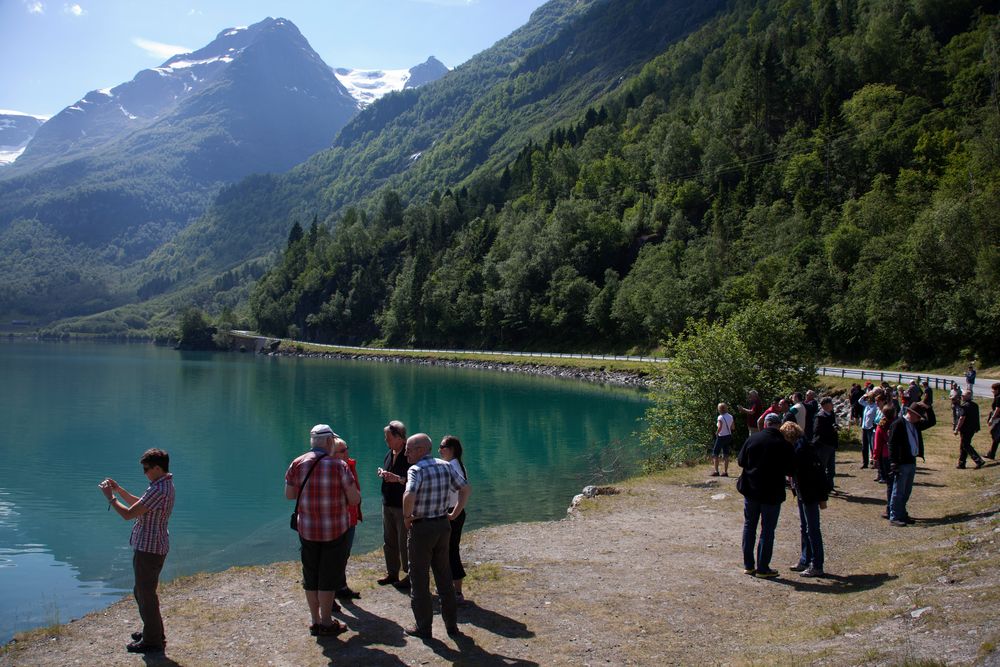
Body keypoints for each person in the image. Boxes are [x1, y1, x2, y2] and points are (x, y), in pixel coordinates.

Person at [285, 424, 361, 637]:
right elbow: (354, 498)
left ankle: (314, 620)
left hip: (307, 529)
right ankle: (327, 622)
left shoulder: (297, 463)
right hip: (334, 529)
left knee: (311, 574)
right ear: (329, 442)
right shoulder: (339, 466)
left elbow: (290, 494)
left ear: (312, 442)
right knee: (327, 576)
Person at [98, 448, 175, 654]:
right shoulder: (162, 485)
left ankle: (153, 641)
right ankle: (153, 631)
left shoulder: (159, 490)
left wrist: (110, 498)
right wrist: (119, 490)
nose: (145, 473)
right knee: (142, 592)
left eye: (147, 469)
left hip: (149, 550)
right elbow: (140, 504)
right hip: (152, 546)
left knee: (145, 594)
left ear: (157, 468)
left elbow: (129, 514)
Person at [402, 433, 471, 639]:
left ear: (421, 449)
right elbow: (465, 489)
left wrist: (407, 517)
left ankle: (424, 627)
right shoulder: (446, 465)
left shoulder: (416, 469)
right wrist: (454, 513)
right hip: (442, 525)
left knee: (419, 578)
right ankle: (452, 626)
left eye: (409, 449)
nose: (406, 453)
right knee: (444, 576)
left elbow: (409, 494)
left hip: (422, 527)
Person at [736, 413, 795, 578]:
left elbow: (741, 461)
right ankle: (763, 568)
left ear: (766, 424)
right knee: (767, 530)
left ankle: (749, 565)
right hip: (772, 493)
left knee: (749, 526)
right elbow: (791, 470)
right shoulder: (784, 445)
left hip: (751, 490)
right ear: (779, 425)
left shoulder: (753, 439)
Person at [781, 422, 827, 577]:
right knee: (805, 527)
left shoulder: (801, 450)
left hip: (808, 493)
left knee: (812, 529)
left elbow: (793, 468)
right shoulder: (804, 446)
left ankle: (816, 565)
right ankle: (805, 560)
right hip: (804, 492)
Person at [887, 401, 936, 526]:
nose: (919, 418)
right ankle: (895, 516)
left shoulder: (916, 424)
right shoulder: (898, 424)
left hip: (911, 461)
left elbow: (932, 422)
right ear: (910, 413)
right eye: (918, 416)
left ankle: (902, 513)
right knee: (898, 491)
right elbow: (891, 444)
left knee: (906, 491)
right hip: (901, 462)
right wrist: (893, 462)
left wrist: (928, 408)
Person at [377, 420, 411, 588]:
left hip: (402, 505)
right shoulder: (390, 453)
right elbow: (391, 474)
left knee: (405, 541)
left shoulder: (409, 454)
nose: (386, 440)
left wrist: (398, 480)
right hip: (388, 502)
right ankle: (392, 573)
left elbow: (415, 480)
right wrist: (383, 474)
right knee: (389, 540)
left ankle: (410, 574)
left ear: (399, 437)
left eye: (388, 437)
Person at [438, 435, 470, 604]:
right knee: (448, 551)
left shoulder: (452, 467)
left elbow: (464, 491)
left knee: (450, 552)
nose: (440, 450)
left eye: (442, 447)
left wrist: (453, 514)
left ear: (452, 449)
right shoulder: (457, 465)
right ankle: (450, 586)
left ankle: (457, 592)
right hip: (454, 512)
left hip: (452, 513)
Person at [332, 436, 362, 600]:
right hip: (337, 520)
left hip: (350, 517)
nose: (346, 452)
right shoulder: (332, 469)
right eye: (342, 450)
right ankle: (332, 590)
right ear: (333, 453)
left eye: (346, 448)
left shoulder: (349, 464)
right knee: (335, 555)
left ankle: (340, 586)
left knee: (345, 553)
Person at [812, 397, 839, 493]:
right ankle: (820, 486)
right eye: (830, 403)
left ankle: (829, 487)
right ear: (825, 405)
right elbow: (817, 431)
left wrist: (836, 427)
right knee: (822, 467)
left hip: (831, 444)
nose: (832, 405)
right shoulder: (820, 416)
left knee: (831, 469)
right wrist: (832, 430)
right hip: (823, 445)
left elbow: (832, 425)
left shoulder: (831, 414)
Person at [873, 404, 896, 516]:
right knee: (895, 483)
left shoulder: (880, 426)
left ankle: (889, 508)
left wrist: (875, 458)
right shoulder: (897, 424)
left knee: (889, 484)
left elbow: (877, 445)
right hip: (896, 456)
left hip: (885, 456)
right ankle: (894, 507)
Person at [954, 390, 985, 469]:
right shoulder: (975, 405)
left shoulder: (964, 406)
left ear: (968, 396)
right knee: (963, 445)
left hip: (965, 428)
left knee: (965, 445)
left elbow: (962, 418)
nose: (962, 397)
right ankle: (962, 463)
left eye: (963, 396)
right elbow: (976, 417)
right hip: (972, 428)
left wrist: (957, 429)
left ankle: (978, 460)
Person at [858, 390, 880, 470]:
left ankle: (875, 463)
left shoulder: (875, 406)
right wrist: (865, 395)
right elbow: (860, 401)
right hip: (864, 428)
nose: (867, 399)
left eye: (869, 398)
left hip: (871, 428)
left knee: (872, 446)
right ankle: (865, 463)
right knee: (864, 447)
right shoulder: (867, 405)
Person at [712, 403, 735, 477]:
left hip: (721, 436)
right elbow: (733, 427)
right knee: (726, 454)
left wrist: (716, 433)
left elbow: (720, 427)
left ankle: (716, 471)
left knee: (715, 453)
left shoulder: (720, 417)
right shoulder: (730, 416)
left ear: (720, 409)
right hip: (728, 436)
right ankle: (725, 472)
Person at [988, 382, 1000, 460]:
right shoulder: (997, 396)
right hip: (997, 418)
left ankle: (991, 453)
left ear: (997, 390)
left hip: (998, 418)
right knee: (996, 436)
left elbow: (998, 409)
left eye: (993, 389)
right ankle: (991, 454)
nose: (992, 391)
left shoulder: (999, 397)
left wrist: (992, 418)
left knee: (995, 434)